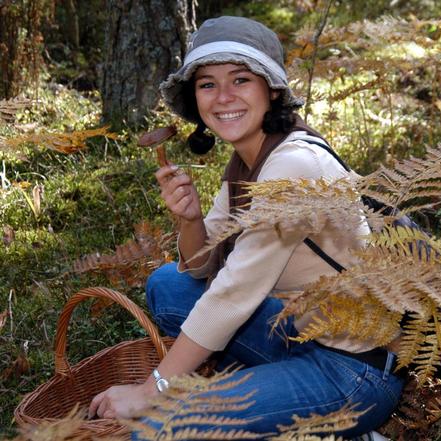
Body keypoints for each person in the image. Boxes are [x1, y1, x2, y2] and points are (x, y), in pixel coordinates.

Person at [88, 15, 404, 439]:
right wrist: (190, 220)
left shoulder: (293, 164)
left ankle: (327, 420)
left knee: (159, 426)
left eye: (240, 80)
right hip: (299, 333)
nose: (223, 97)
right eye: (207, 84)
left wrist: (153, 388)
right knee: (167, 285)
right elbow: (200, 268)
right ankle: (267, 396)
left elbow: (234, 293)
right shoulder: (250, 158)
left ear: (271, 90)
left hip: (353, 371)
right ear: (195, 98)